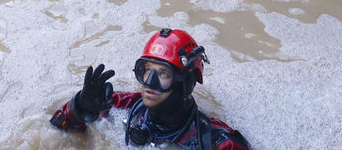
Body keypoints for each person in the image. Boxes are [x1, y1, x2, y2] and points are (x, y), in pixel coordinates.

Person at [50, 28, 250, 149]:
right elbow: (55, 128)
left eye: (163, 74)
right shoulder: (124, 105)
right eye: (146, 71)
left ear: (186, 83)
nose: (149, 82)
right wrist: (80, 108)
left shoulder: (217, 141)